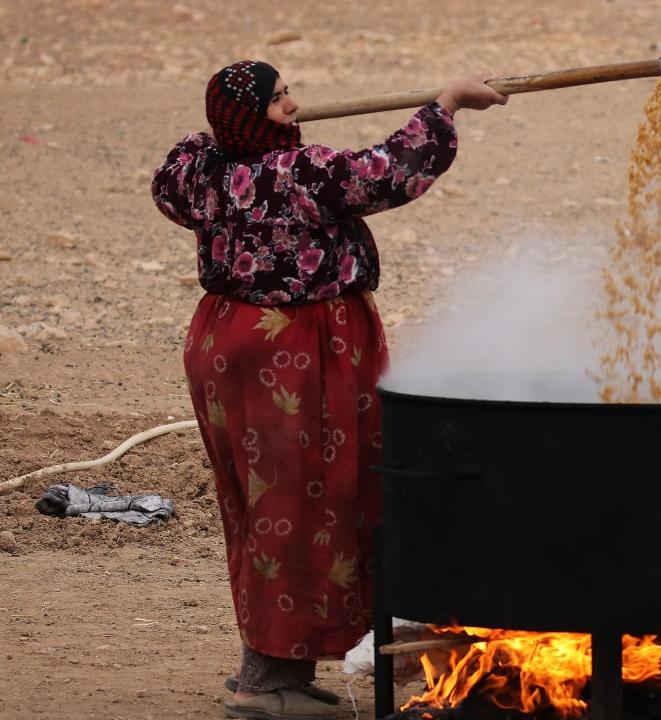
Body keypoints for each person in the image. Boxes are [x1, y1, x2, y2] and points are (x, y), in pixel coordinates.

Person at [151, 60, 506, 719]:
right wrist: (448, 104)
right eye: (277, 99)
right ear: (250, 117)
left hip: (225, 345)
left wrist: (227, 133)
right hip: (294, 352)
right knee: (306, 504)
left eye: (289, 93)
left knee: (265, 506)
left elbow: (175, 169)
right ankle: (265, 684)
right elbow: (388, 173)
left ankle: (276, 666)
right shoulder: (298, 173)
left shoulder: (198, 172)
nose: (292, 105)